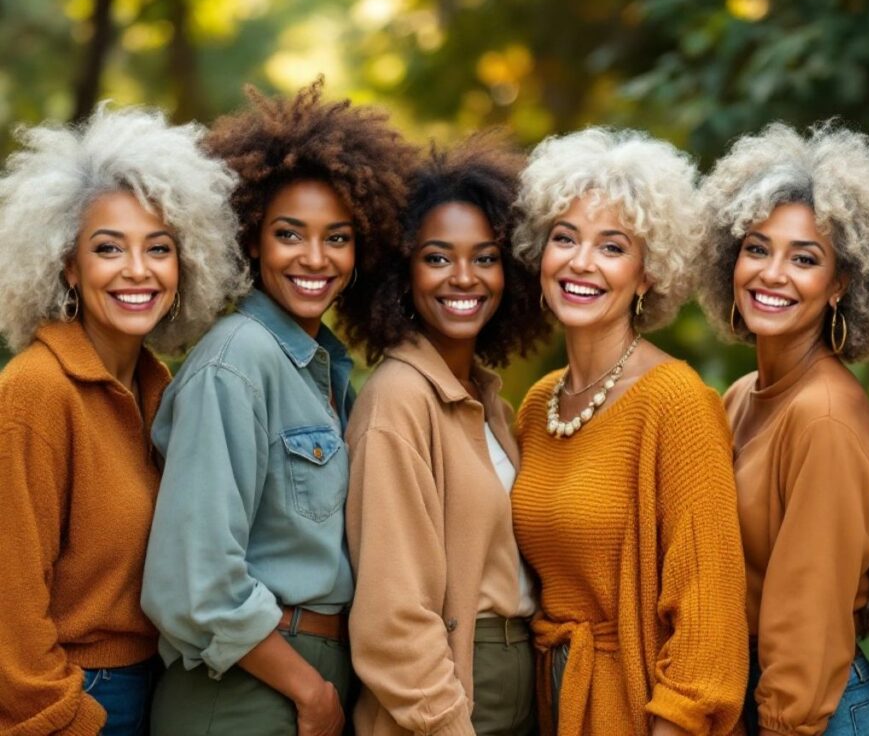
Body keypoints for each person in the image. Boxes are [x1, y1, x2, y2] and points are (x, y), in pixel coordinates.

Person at [141, 80, 415, 736]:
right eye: (289, 234)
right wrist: (310, 692)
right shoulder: (237, 361)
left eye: (337, 238)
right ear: (252, 240)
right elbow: (194, 581)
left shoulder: (325, 369)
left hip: (303, 677)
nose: (314, 259)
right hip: (244, 692)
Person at [0, 105, 244, 735]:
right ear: (67, 266)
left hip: (160, 687)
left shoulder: (160, 388)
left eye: (158, 248)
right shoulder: (33, 392)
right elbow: (10, 601)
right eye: (108, 248)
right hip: (77, 702)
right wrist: (70, 718)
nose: (138, 270)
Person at [509, 127, 748, 736]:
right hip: (548, 702)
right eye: (565, 238)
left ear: (647, 274)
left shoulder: (678, 403)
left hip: (634, 711)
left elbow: (709, 621)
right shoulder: (538, 406)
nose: (581, 263)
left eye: (612, 247)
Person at [696, 121, 869, 736]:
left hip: (814, 713)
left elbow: (810, 621)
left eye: (805, 258)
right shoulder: (740, 399)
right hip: (759, 697)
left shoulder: (826, 416)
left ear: (841, 283)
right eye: (757, 248)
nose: (772, 273)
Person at [343, 133, 548, 736]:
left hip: (517, 686)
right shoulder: (398, 401)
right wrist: (445, 723)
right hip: (446, 698)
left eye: (484, 257)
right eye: (437, 257)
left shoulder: (488, 399)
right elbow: (392, 615)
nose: (464, 277)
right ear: (401, 275)